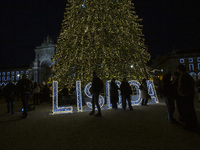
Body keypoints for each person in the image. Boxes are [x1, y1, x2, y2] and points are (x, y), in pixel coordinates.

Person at [177, 64, 198, 130]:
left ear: (179, 69)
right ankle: (194, 123)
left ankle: (189, 125)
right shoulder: (188, 75)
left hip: (185, 95)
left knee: (187, 110)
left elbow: (181, 86)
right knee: (191, 109)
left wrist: (180, 92)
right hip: (190, 94)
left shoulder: (183, 76)